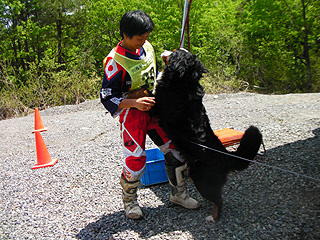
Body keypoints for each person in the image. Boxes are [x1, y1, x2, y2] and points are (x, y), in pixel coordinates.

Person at [100, 10, 200, 220]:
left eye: (146, 37)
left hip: (155, 109)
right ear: (125, 35)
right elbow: (107, 97)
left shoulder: (147, 47)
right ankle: (130, 202)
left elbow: (153, 77)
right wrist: (134, 102)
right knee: (136, 159)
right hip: (132, 115)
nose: (144, 42)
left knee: (176, 149)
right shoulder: (114, 61)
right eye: (139, 38)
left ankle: (178, 194)